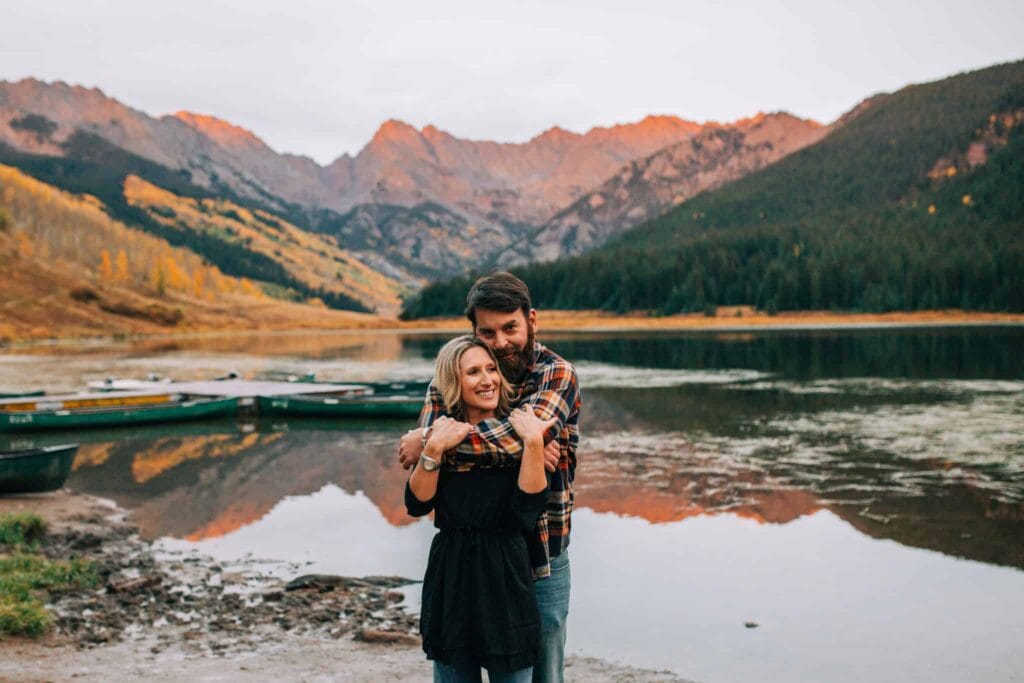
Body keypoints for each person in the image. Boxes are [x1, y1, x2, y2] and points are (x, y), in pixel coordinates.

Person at [400, 272, 581, 683]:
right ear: (474, 330)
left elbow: (520, 439)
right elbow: (426, 477)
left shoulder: (557, 375)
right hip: (470, 557)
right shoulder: (447, 379)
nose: (500, 343)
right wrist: (525, 448)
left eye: (510, 328)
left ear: (531, 320)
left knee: (545, 665)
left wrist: (430, 438)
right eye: (488, 331)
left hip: (543, 550)